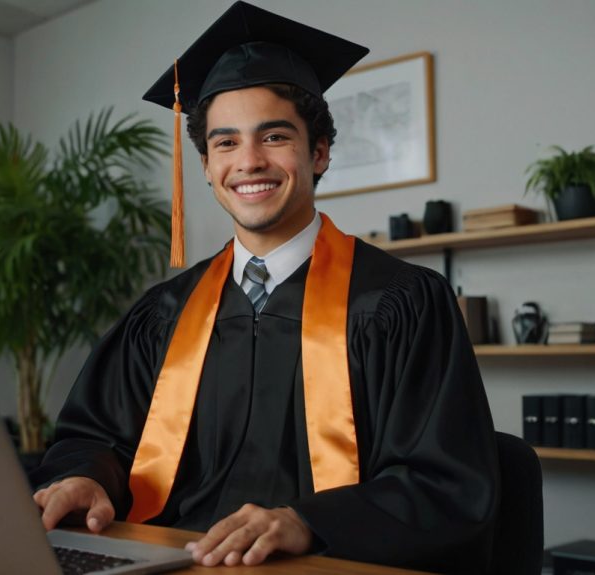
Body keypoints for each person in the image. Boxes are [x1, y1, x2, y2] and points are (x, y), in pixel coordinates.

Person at [30, 2, 499, 572]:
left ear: (319, 152)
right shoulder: (165, 313)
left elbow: (444, 482)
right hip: (167, 562)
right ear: (205, 165)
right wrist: (85, 477)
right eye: (225, 143)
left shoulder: (402, 302)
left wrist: (309, 521)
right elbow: (97, 435)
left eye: (274, 136)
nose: (249, 162)